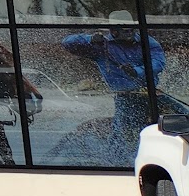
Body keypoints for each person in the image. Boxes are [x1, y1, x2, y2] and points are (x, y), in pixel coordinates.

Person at [62, 11, 164, 145]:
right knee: (122, 134)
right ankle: (118, 153)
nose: (129, 34)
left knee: (159, 130)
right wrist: (89, 39)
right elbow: (67, 43)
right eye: (124, 30)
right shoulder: (101, 46)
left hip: (150, 95)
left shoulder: (146, 41)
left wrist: (137, 71)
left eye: (130, 30)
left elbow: (158, 62)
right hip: (124, 97)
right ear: (113, 30)